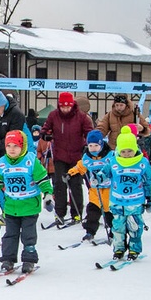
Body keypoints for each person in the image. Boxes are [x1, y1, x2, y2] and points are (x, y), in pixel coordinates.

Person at [0, 129, 51, 274]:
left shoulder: (30, 161)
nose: (12, 149)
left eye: (15, 146)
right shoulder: (2, 163)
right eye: (8, 146)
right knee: (10, 234)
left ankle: (29, 259)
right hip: (11, 206)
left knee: (28, 234)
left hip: (29, 206)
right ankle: (8, 259)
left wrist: (48, 195)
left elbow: (43, 180)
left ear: (22, 147)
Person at [93, 127, 151, 262]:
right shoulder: (113, 161)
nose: (127, 154)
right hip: (117, 202)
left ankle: (134, 249)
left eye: (130, 151)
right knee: (118, 227)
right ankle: (119, 248)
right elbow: (104, 173)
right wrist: (97, 178)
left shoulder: (142, 163)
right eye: (123, 151)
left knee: (134, 227)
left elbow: (148, 182)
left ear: (135, 149)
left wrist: (150, 199)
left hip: (135, 202)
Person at [41, 91, 91, 225]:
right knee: (59, 185)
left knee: (75, 185)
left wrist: (88, 145)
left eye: (68, 107)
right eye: (63, 107)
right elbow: (45, 129)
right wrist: (45, 135)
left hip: (76, 156)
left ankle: (76, 213)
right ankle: (59, 213)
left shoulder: (81, 117)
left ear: (72, 105)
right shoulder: (54, 115)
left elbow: (89, 132)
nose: (65, 109)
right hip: (60, 155)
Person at [67, 130, 114, 243]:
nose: (93, 148)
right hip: (95, 190)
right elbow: (80, 167)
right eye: (90, 145)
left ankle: (115, 231)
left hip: (109, 189)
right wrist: (70, 173)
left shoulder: (110, 156)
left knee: (109, 212)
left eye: (96, 145)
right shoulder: (87, 158)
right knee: (93, 211)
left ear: (101, 144)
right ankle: (90, 231)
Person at [0, 89, 26, 157]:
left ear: (3, 104)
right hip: (1, 150)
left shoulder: (16, 114)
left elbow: (13, 137)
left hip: (17, 150)